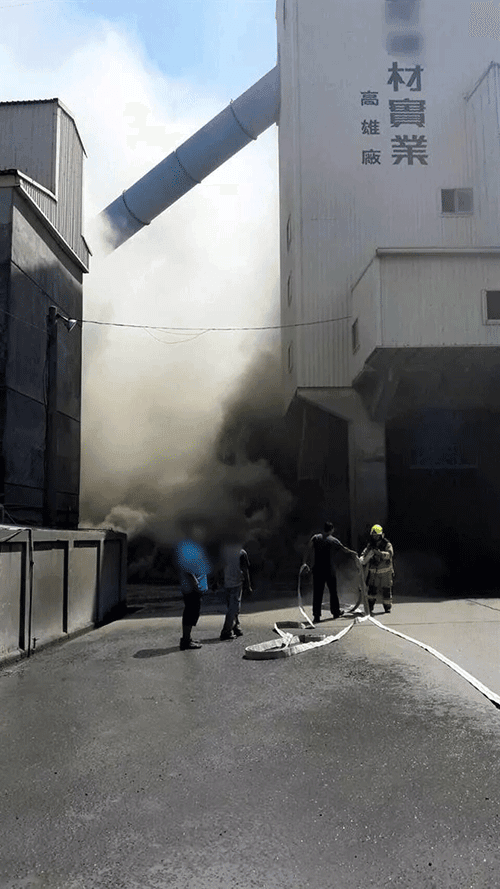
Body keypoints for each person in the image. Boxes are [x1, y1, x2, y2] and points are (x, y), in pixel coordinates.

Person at [301, 521, 358, 623]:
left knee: (317, 593)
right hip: (329, 570)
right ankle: (335, 612)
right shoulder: (333, 540)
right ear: (332, 530)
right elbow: (344, 549)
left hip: (317, 570)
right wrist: (353, 553)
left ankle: (316, 616)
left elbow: (308, 549)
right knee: (333, 591)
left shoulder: (315, 538)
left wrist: (304, 562)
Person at [175, 537, 210, 650]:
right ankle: (185, 640)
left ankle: (187, 638)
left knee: (193, 613)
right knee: (190, 613)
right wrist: (195, 584)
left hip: (194, 588)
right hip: (192, 588)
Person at [219, 542, 252, 641]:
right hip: (236, 583)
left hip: (227, 583)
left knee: (231, 606)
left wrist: (217, 581)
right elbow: (245, 570)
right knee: (234, 608)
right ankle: (226, 631)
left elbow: (220, 568)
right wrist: (248, 586)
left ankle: (236, 627)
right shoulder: (242, 553)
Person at [359, 524, 394, 614]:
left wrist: (380, 554)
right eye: (373, 536)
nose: (375, 537)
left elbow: (390, 554)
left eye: (377, 535)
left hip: (385, 572)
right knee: (372, 590)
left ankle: (387, 607)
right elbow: (364, 553)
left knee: (386, 590)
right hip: (374, 573)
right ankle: (370, 607)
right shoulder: (370, 545)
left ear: (381, 535)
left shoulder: (387, 544)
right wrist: (362, 558)